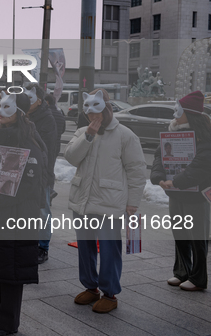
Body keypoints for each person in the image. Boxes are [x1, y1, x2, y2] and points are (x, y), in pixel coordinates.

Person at [65, 88, 146, 313]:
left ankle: (110, 293)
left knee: (110, 249)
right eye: (88, 112)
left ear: (108, 106)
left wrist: (133, 202)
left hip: (110, 203)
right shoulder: (82, 131)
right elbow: (71, 157)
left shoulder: (125, 135)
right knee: (85, 247)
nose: (92, 116)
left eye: (97, 110)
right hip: (82, 199)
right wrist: (88, 135)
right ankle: (90, 287)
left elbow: (137, 170)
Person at [0, 92, 43, 335]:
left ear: (21, 112)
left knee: (11, 269)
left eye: (8, 107)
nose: (1, 111)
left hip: (17, 215)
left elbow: (25, 188)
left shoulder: (30, 144)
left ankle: (8, 320)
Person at [150, 90, 211, 291]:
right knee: (180, 233)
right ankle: (182, 271)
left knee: (197, 237)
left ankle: (198, 277)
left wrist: (176, 180)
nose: (175, 114)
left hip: (196, 196)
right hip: (176, 194)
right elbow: (159, 155)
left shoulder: (205, 136)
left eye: (179, 109)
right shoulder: (172, 131)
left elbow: (201, 165)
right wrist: (159, 177)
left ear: (190, 113)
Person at [24, 83, 58, 264]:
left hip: (42, 171)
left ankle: (43, 247)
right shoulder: (21, 115)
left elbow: (48, 149)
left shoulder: (46, 118)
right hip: (22, 171)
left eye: (29, 98)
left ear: (39, 100)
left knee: (43, 210)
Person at [44, 93, 66, 200]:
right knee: (50, 169)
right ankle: (50, 192)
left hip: (47, 145)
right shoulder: (59, 114)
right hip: (56, 145)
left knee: (45, 170)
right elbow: (62, 130)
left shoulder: (46, 115)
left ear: (47, 102)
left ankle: (48, 193)